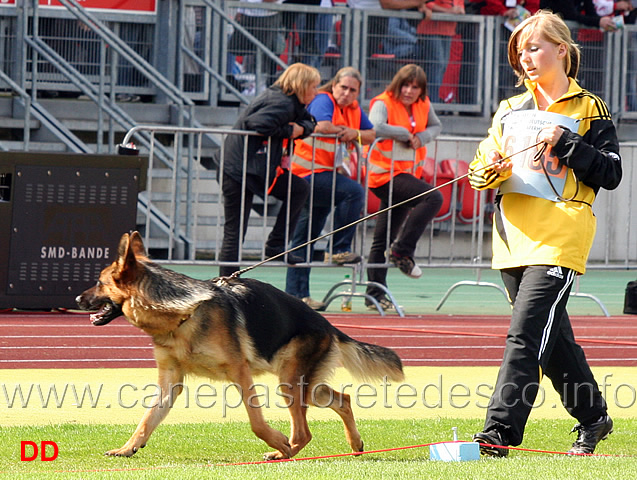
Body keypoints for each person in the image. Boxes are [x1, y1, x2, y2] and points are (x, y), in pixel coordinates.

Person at [468, 11, 622, 456]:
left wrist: (569, 144)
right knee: (553, 340)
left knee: (527, 332)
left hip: (561, 235)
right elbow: (479, 171)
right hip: (513, 236)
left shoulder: (589, 107)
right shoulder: (510, 110)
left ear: (561, 49)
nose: (526, 58)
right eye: (520, 51)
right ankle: (594, 418)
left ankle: (499, 432)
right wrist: (490, 172)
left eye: (534, 47)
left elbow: (611, 173)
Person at [285, 67, 376, 310]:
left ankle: (296, 296)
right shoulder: (323, 100)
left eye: (352, 90)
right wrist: (346, 133)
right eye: (343, 87)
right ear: (333, 85)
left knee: (305, 238)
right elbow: (322, 126)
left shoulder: (354, 109)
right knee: (353, 192)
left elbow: (371, 134)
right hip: (307, 173)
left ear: (358, 93)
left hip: (325, 176)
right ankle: (339, 248)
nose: (346, 93)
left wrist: (353, 133)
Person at [218, 63, 321, 277]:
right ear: (302, 86)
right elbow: (256, 123)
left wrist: (300, 129)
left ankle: (276, 246)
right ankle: (226, 282)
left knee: (299, 188)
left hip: (252, 168)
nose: (316, 92)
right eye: (314, 87)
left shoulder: (290, 102)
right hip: (238, 169)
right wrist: (290, 130)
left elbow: (310, 121)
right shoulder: (281, 102)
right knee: (235, 229)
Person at [364, 64, 443, 311]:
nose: (409, 91)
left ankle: (374, 294)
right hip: (384, 176)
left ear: (421, 90)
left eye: (415, 87)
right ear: (398, 84)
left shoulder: (424, 105)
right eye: (406, 85)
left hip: (405, 176)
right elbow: (376, 126)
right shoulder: (383, 102)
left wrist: (422, 136)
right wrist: (404, 133)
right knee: (433, 198)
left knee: (381, 239)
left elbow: (436, 126)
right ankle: (402, 251)